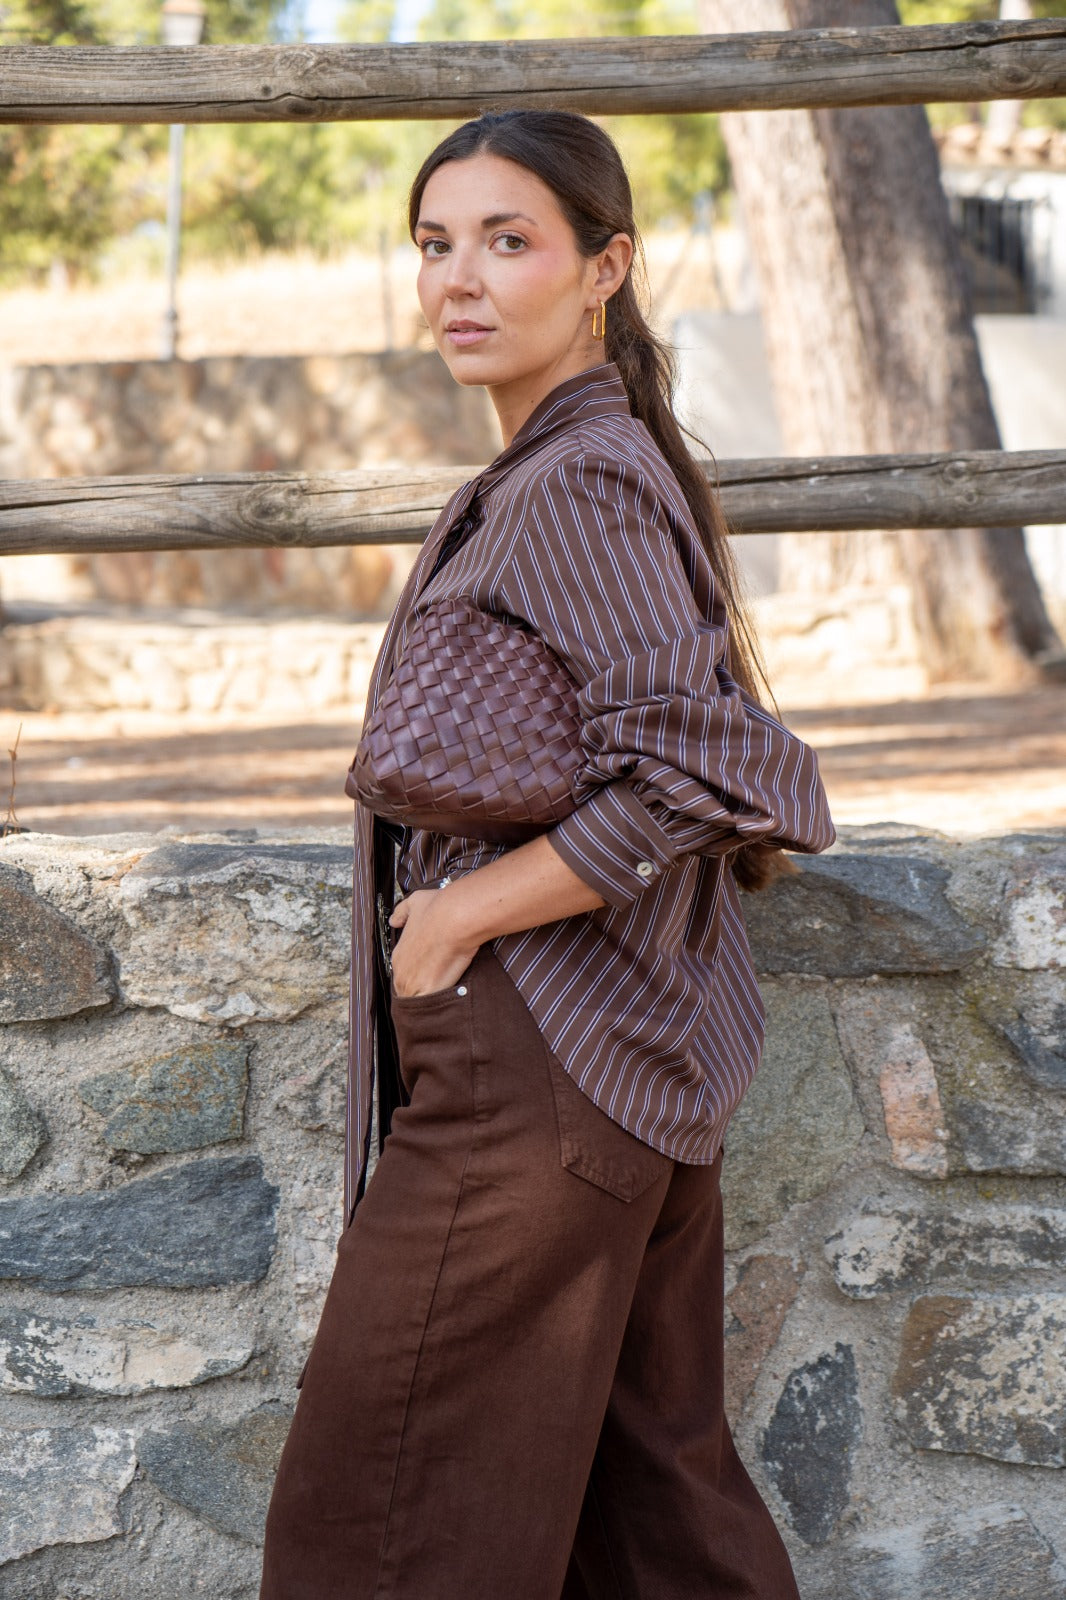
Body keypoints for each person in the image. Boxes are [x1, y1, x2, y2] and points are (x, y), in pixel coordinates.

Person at [260, 109, 835, 1600]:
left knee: (377, 1527)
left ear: (605, 268)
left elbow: (707, 768)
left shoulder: (575, 481)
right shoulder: (574, 465)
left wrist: (463, 918)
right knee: (654, 1531)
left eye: (507, 241)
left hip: (536, 1064)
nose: (458, 279)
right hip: (618, 1061)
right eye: (433, 244)